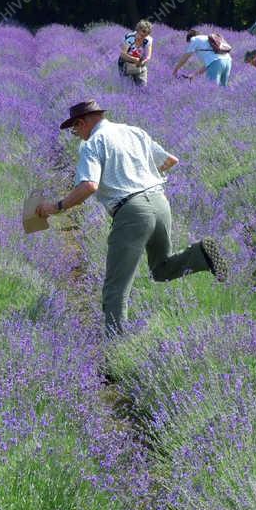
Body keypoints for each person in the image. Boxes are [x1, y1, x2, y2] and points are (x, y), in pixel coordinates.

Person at [35, 100, 228, 336]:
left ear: (82, 122)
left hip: (132, 212)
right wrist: (139, 175)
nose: (77, 136)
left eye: (75, 130)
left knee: (116, 288)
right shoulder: (133, 131)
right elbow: (170, 161)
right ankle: (200, 255)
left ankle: (116, 344)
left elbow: (89, 185)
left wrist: (56, 207)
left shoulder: (93, 143)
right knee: (161, 269)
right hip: (159, 202)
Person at [118, 20, 153, 87]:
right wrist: (134, 59)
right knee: (127, 87)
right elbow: (122, 54)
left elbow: (148, 56)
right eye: (143, 31)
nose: (145, 34)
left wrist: (143, 62)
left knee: (142, 87)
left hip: (140, 64)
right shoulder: (130, 37)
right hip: (125, 63)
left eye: (147, 33)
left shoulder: (148, 40)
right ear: (138, 30)